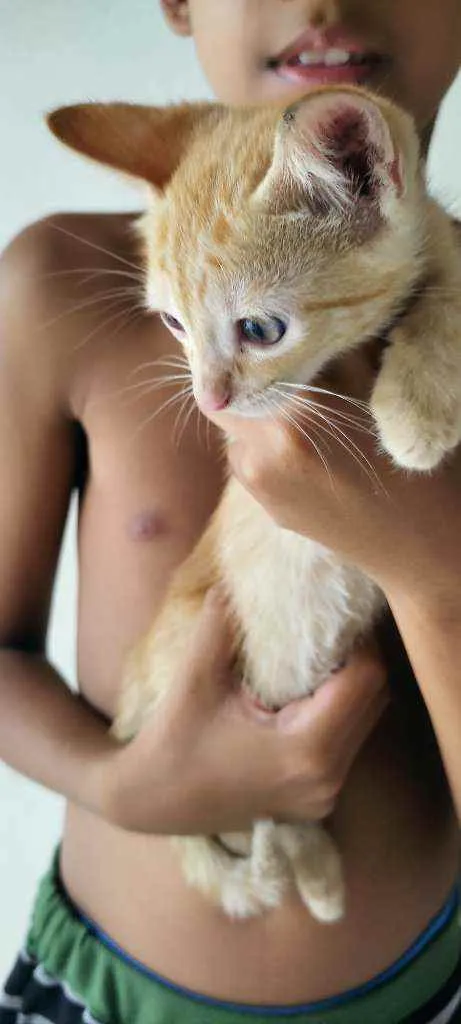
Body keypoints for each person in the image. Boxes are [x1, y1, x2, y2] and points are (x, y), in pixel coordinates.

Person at [0, 1, 460, 1021]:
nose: (320, 4)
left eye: (252, 330)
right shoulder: (58, 287)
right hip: (103, 984)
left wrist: (428, 574)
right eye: (175, 326)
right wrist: (121, 788)